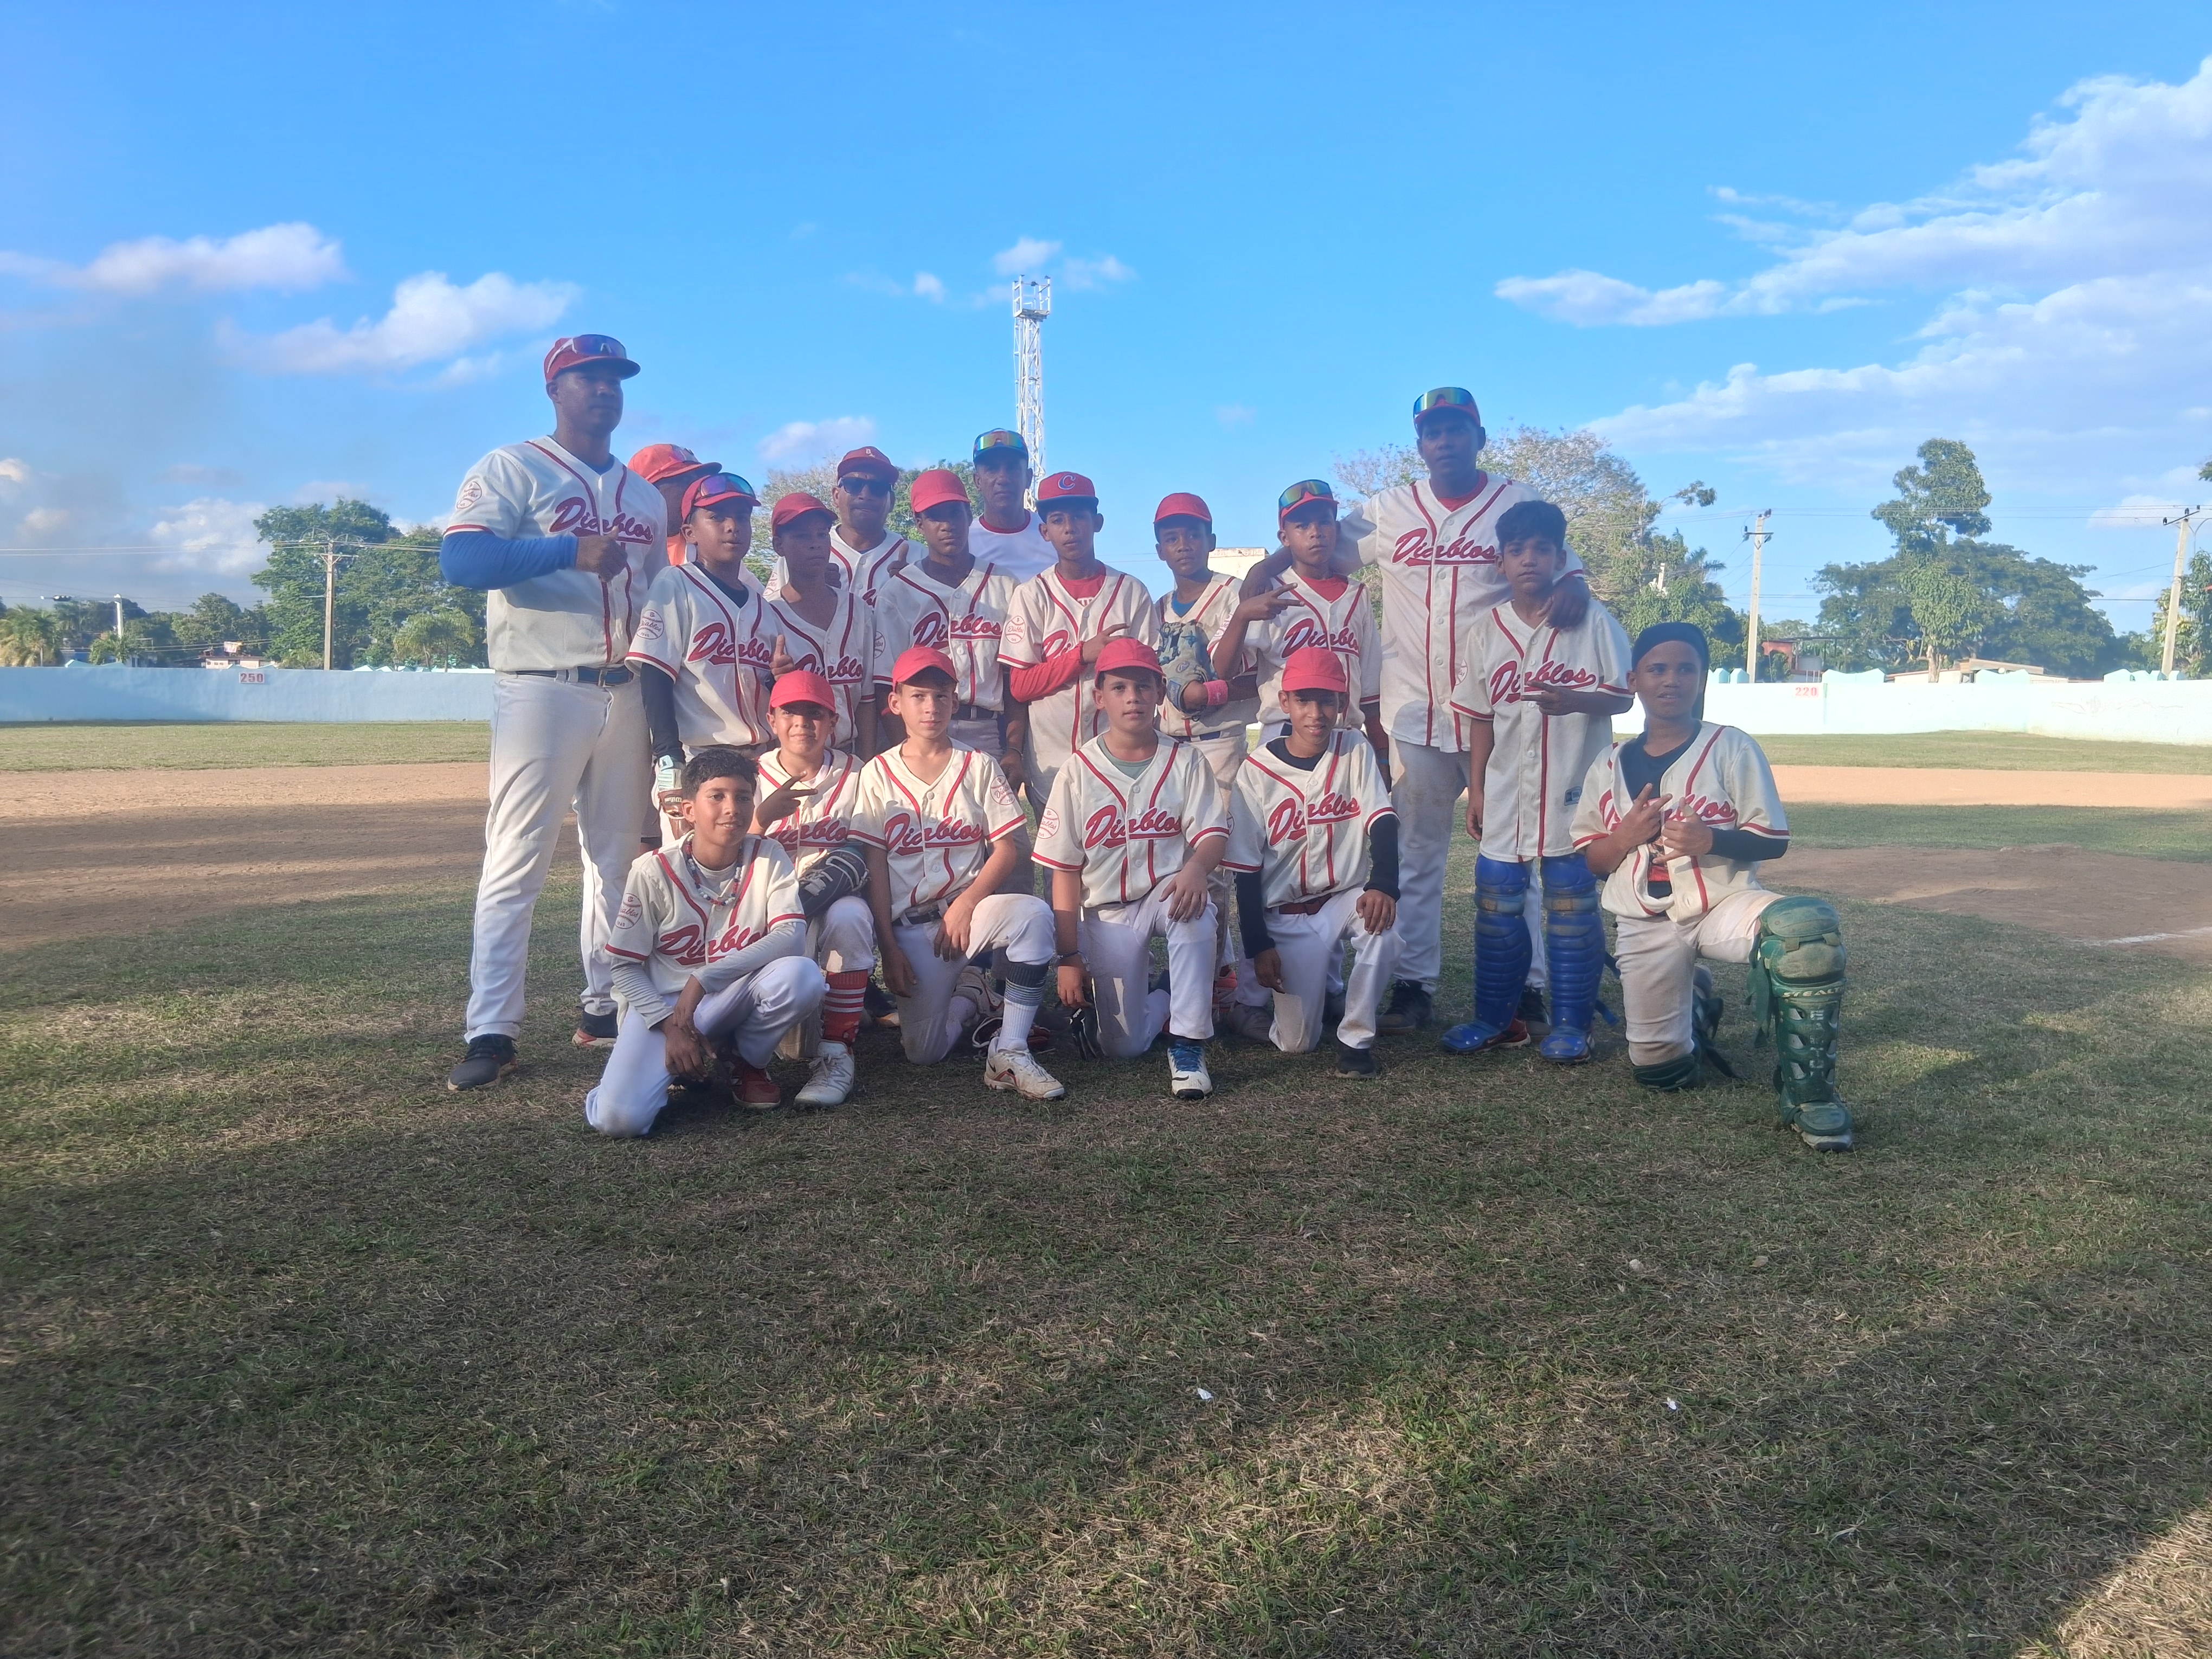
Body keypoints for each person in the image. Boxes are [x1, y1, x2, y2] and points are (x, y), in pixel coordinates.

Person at [1248, 387, 1593, 1037]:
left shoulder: (1515, 503)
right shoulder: (1391, 508)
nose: (1444, 440)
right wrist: (1260, 570)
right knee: (1415, 855)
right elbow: (1312, 547)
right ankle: (1415, 983)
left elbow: (1564, 567)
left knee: (1515, 851)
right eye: (1432, 431)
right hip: (1415, 713)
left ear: (1479, 437)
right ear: (1420, 444)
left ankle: (1532, 987)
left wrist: (1572, 588)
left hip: (1502, 709)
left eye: (1456, 428)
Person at [439, 333, 667, 1086]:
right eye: (586, 377)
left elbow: (660, 600)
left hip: (623, 685)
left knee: (618, 863)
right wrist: (565, 550)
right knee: (515, 864)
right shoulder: (512, 467)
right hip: (538, 684)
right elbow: (463, 562)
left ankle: (604, 1005)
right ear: (555, 390)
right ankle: (492, 1031)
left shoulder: (644, 496)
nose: (604, 389)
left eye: (613, 378)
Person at [1574, 623, 1853, 1151]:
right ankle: (1694, 1005)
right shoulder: (1608, 763)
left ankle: (1812, 1097)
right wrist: (1625, 837)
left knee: (1806, 934)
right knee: (1661, 1074)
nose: (1671, 679)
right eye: (1658, 668)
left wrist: (1712, 838)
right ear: (1635, 679)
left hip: (1724, 902)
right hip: (1644, 918)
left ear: (1701, 679)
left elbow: (1772, 840)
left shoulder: (1730, 746)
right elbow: (1594, 860)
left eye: (1686, 668)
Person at [1438, 499, 1633, 1063]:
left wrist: (1574, 699)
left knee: (1571, 905)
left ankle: (1573, 1023)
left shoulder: (1591, 620)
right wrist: (1475, 787)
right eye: (1517, 550)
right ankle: (1495, 1018)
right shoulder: (1486, 630)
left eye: (1541, 549)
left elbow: (1624, 695)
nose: (1529, 559)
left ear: (1558, 555)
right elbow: (1478, 716)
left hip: (1577, 788)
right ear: (1500, 561)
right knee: (1495, 903)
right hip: (1504, 790)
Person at [852, 646, 1067, 1101]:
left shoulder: (978, 764)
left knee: (1032, 915)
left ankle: (1009, 1050)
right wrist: (887, 950)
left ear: (955, 700)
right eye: (918, 697)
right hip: (911, 928)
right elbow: (875, 866)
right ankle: (972, 995)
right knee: (924, 1054)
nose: (930, 707)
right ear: (895, 703)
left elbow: (1007, 849)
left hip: (969, 915)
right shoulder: (876, 774)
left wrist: (968, 904)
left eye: (940, 696)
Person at [584, 747, 827, 1134]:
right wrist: (670, 1027)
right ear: (688, 810)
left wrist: (703, 979)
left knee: (802, 975)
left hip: (731, 996)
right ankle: (648, 1074)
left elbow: (790, 935)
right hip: (664, 1008)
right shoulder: (652, 870)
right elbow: (625, 967)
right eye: (717, 796)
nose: (732, 808)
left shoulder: (768, 854)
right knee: (619, 1121)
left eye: (743, 796)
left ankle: (741, 1059)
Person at [1034, 639, 1230, 1098]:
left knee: (1196, 911)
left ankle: (1188, 1044)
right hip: (1107, 913)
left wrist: (1198, 867)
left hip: (1165, 895)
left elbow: (1213, 834)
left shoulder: (1185, 759)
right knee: (1122, 1048)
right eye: (1119, 687)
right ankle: (1168, 992)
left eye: (1143, 686)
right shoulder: (1078, 771)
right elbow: (1062, 869)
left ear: (1160, 691)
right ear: (1099, 697)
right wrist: (1068, 956)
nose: (1133, 698)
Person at [1221, 648, 1401, 1077]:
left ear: (1342, 704)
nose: (1316, 713)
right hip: (1287, 915)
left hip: (1344, 898)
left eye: (1327, 700)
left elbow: (1383, 820)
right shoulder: (1256, 771)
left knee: (1385, 924)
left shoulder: (1353, 746)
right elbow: (1244, 870)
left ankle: (1356, 1039)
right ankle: (1317, 988)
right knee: (1297, 1043)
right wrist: (1259, 947)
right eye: (1304, 700)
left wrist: (1385, 885)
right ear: (1285, 703)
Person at [1151, 490, 1262, 1015]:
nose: (1183, 544)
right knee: (1179, 860)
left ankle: (1212, 983)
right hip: (1171, 746)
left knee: (1212, 865)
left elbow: (1250, 674)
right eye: (1172, 536)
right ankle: (1214, 970)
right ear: (1159, 549)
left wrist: (1207, 694)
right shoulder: (1155, 607)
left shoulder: (1233, 592)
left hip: (1219, 742)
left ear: (1211, 541)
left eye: (1192, 533)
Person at [752, 669, 874, 1109]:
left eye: (814, 713)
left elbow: (865, 851)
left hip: (831, 902)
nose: (802, 723)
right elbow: (735, 859)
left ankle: (838, 1049)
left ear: (833, 721)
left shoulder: (857, 774)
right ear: (772, 719)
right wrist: (761, 818)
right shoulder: (752, 776)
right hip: (770, 913)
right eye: (791, 713)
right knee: (790, 1048)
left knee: (851, 915)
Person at [1000, 470, 1158, 807]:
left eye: (1079, 517)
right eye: (1057, 520)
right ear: (1044, 531)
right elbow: (1020, 686)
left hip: (1123, 759)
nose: (1069, 528)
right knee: (1059, 860)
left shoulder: (1131, 592)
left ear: (1097, 522)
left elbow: (1154, 681)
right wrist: (1082, 655)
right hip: (1050, 762)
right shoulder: (1031, 596)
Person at [628, 472, 771, 832]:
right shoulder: (675, 584)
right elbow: (655, 675)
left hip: (762, 760)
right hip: (700, 759)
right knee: (694, 876)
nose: (732, 527)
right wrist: (668, 758)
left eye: (741, 517)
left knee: (753, 876)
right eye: (717, 517)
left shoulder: (763, 605)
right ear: (690, 531)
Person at [1216, 479, 1384, 751]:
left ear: (1337, 529)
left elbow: (1371, 686)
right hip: (1283, 736)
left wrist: (1382, 752)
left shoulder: (1357, 594)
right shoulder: (1267, 591)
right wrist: (1242, 616)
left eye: (1323, 522)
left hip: (1347, 739)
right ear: (1284, 538)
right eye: (1302, 526)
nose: (1315, 532)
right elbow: (1224, 670)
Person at [871, 467, 1020, 770]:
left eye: (954, 513)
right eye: (935, 516)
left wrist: (1015, 748)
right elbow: (885, 685)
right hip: (919, 730)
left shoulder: (1005, 584)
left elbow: (1014, 677)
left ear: (969, 515)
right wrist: (905, 749)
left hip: (987, 730)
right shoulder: (898, 593)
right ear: (920, 523)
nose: (947, 524)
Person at [757, 492, 880, 757]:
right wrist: (774, 682)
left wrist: (868, 764)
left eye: (822, 535)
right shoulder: (765, 614)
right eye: (802, 536)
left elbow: (867, 701)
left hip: (849, 755)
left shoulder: (858, 609)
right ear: (779, 545)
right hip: (790, 759)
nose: (815, 545)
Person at [768, 445, 912, 604]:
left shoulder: (918, 559)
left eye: (878, 487)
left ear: (891, 501)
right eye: (854, 484)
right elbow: (768, 617)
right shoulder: (797, 551)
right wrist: (809, 590)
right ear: (836, 496)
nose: (865, 495)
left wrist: (918, 594)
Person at [964, 428, 1058, 582]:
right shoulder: (963, 541)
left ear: (1028, 478)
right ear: (978, 481)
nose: (1003, 478)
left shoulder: (1054, 536)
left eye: (1012, 468)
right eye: (992, 469)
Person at [628, 442, 725, 570]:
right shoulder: (621, 547)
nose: (697, 489)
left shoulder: (708, 542)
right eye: (686, 481)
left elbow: (752, 589)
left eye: (700, 481)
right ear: (647, 492)